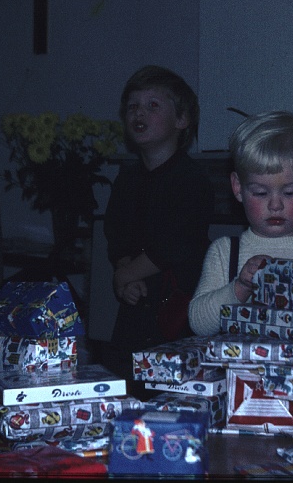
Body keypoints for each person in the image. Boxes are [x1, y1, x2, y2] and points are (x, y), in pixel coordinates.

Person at [188, 110, 293, 337]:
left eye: (289, 192)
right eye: (260, 192)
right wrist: (240, 287)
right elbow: (199, 324)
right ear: (238, 188)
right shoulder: (225, 252)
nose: (275, 205)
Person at [101, 65, 214, 395]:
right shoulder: (127, 179)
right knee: (126, 387)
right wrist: (125, 272)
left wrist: (125, 275)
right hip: (137, 309)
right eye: (134, 105)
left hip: (177, 309)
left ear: (181, 120)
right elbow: (117, 234)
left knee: (168, 391)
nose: (140, 113)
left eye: (153, 105)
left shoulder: (191, 180)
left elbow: (175, 243)